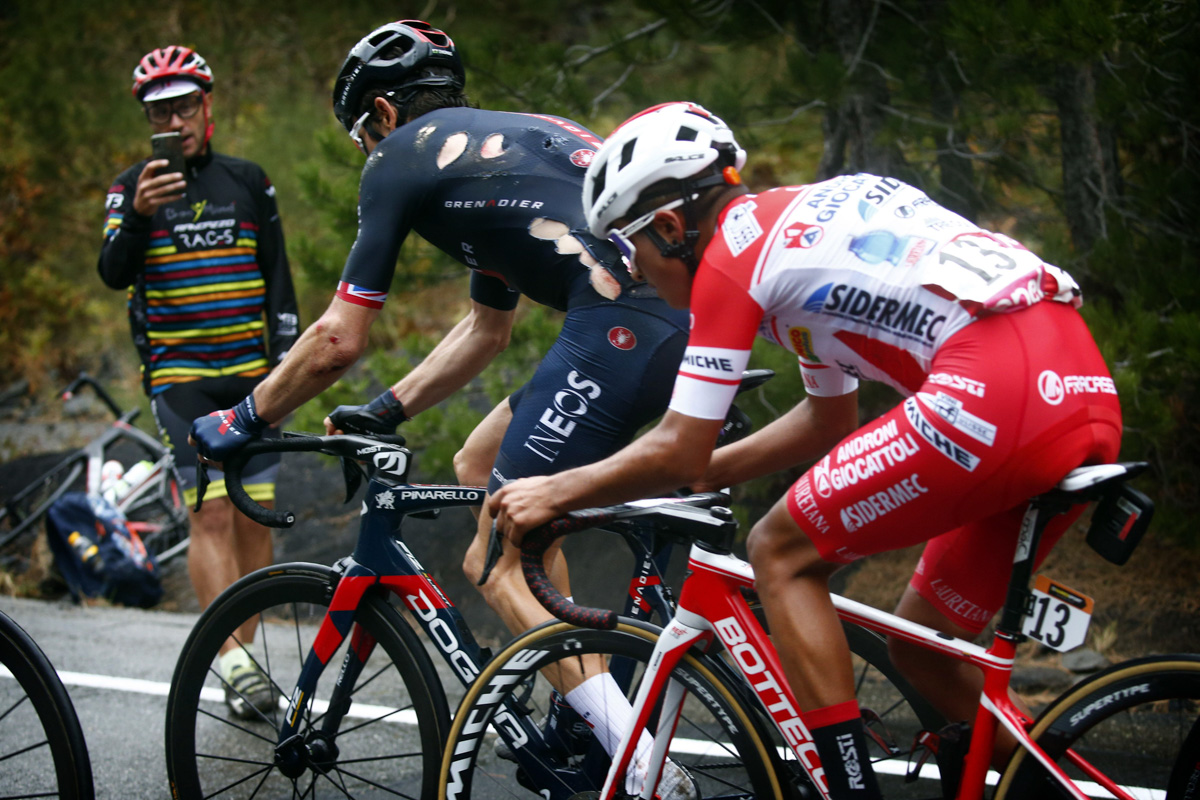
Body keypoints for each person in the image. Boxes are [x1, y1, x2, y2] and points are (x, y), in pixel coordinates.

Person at [489, 102, 1123, 798]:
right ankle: (1055, 789)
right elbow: (825, 421)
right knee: (922, 646)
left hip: (995, 394)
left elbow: (677, 446)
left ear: (669, 228)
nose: (633, 273)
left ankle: (849, 789)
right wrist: (668, 485)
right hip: (1080, 393)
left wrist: (554, 490)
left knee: (780, 551)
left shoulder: (732, 257)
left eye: (629, 248)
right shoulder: (795, 230)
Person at [188, 21, 696, 795]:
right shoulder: (503, 151)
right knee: (481, 467)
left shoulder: (401, 156)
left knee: (493, 560)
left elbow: (336, 339)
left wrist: (243, 419)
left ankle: (635, 766)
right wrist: (386, 410)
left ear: (384, 114)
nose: (368, 152)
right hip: (671, 323)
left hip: (620, 330)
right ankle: (591, 702)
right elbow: (488, 329)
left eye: (362, 135)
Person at [98, 45, 300, 720]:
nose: (175, 120)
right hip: (180, 376)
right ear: (147, 118)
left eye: (185, 105)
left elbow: (279, 276)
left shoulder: (249, 180)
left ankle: (244, 666)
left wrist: (289, 361)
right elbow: (112, 272)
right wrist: (135, 215)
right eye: (161, 110)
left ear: (208, 106)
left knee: (253, 517)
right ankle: (236, 662)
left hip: (253, 377)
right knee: (208, 510)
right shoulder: (131, 189)